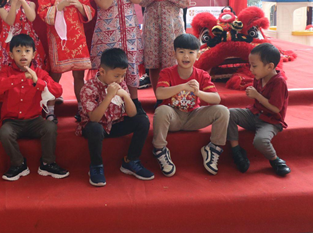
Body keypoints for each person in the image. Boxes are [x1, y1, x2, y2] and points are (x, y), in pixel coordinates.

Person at [0, 34, 68, 181]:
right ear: (11, 55)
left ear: (33, 54)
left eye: (27, 51)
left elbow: (58, 91)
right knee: (4, 132)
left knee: (50, 127)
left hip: (35, 121)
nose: (23, 54)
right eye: (18, 51)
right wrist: (22, 77)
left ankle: (47, 163)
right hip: (12, 121)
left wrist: (37, 81)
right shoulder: (5, 72)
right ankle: (18, 164)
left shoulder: (40, 73)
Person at [152, 34, 229, 177]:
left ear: (198, 55)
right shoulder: (167, 72)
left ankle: (213, 148)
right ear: (174, 54)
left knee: (222, 111)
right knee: (161, 110)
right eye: (181, 52)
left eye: (191, 52)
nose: (186, 56)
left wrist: (198, 92)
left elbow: (216, 99)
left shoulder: (202, 74)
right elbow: (160, 94)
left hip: (194, 117)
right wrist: (183, 86)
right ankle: (160, 150)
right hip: (173, 118)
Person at [78, 48, 153, 187]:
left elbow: (132, 114)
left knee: (142, 120)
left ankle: (131, 161)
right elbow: (94, 119)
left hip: (115, 124)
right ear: (102, 72)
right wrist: (108, 96)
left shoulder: (120, 84)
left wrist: (125, 96)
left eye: (123, 76)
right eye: (116, 76)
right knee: (94, 128)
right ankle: (96, 166)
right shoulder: (88, 88)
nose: (120, 80)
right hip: (97, 128)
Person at [37, 0, 94, 121]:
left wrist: (79, 5)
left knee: (79, 76)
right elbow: (43, 14)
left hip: (78, 38)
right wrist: (60, 6)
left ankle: (82, 109)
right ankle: (50, 110)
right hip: (58, 39)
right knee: (55, 75)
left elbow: (89, 12)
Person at [85, 0, 144, 104]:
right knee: (110, 67)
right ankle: (108, 103)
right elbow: (104, 4)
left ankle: (134, 101)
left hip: (130, 33)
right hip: (108, 34)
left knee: (130, 65)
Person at [227, 43, 291, 176]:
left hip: (271, 121)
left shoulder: (279, 82)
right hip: (254, 114)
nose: (251, 69)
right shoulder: (259, 77)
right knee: (228, 114)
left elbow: (276, 108)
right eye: (250, 65)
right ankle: (236, 150)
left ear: (270, 67)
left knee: (260, 141)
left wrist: (257, 96)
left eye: (254, 66)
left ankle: (275, 160)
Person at [141, 0, 191, 93]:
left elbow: (186, 0)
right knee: (153, 63)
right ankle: (159, 98)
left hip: (172, 26)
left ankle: (173, 96)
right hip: (152, 25)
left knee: (173, 61)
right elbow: (140, 0)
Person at [0, 0, 47, 81]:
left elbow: (32, 17)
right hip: (9, 43)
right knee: (8, 71)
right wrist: (14, 4)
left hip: (28, 41)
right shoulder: (1, 7)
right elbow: (10, 21)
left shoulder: (30, 4)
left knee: (31, 69)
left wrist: (22, 1)